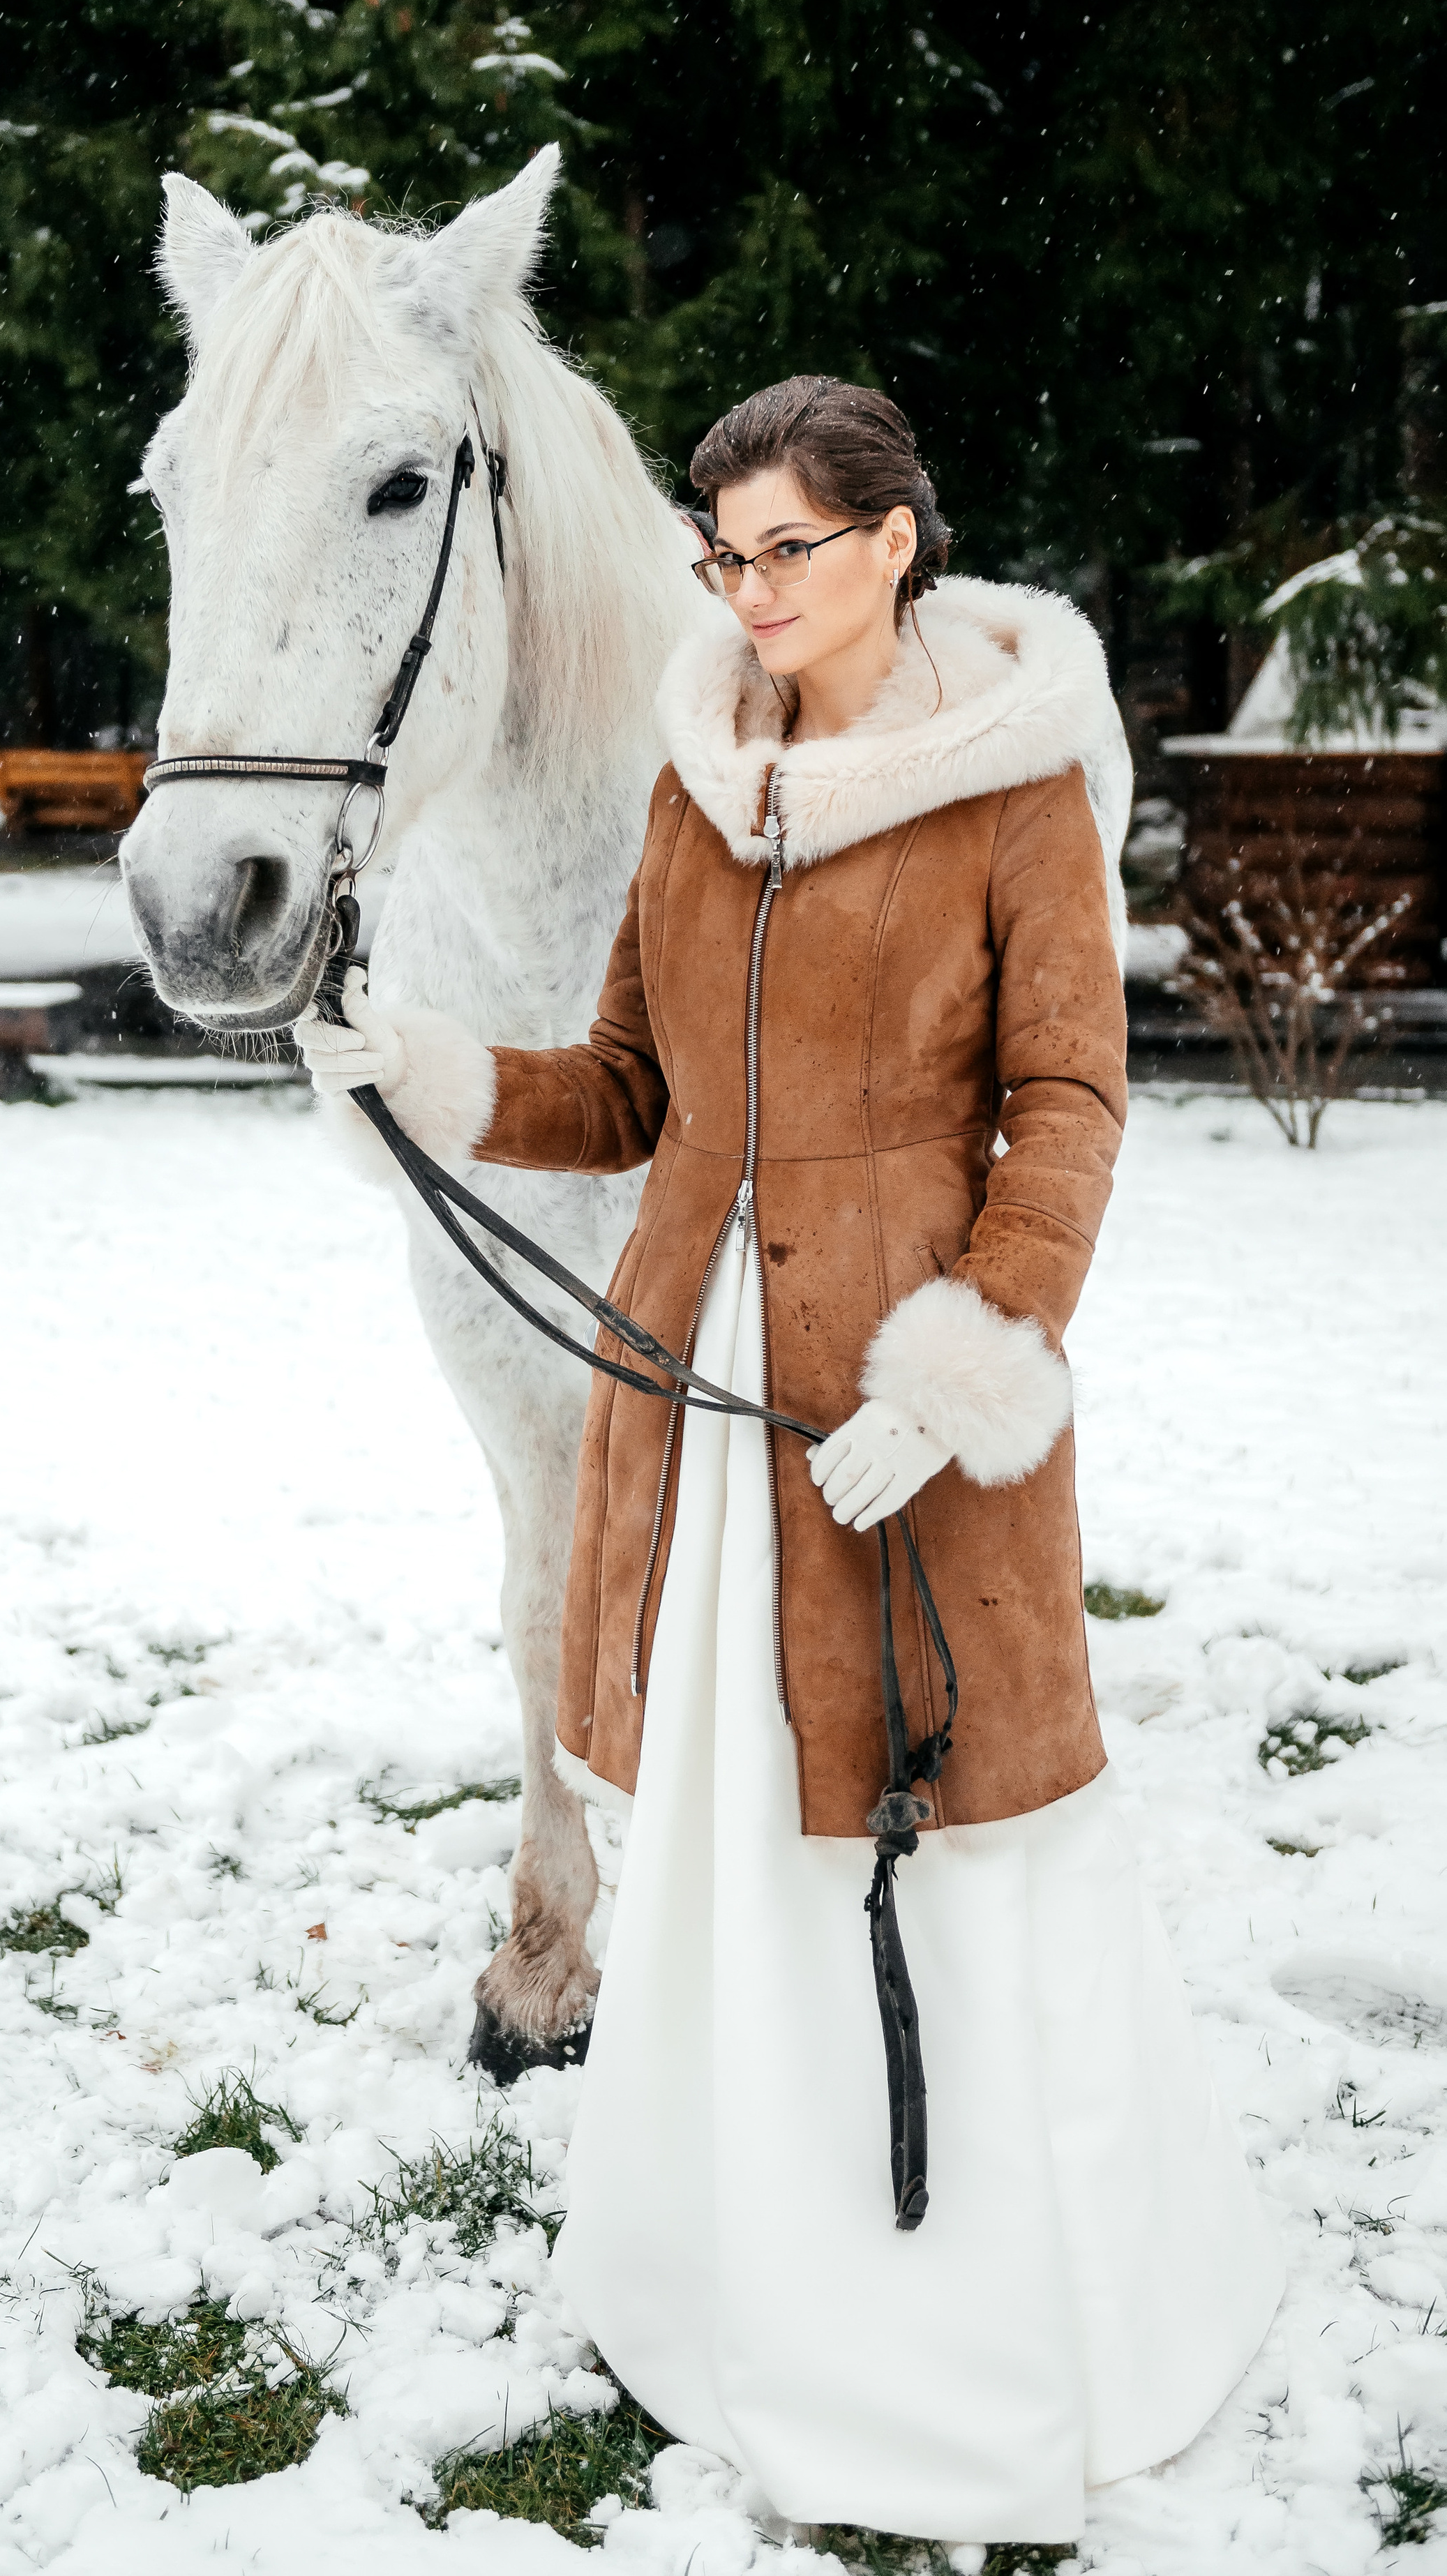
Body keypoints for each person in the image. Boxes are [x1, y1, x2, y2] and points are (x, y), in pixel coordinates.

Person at [297, 376, 1283, 2548]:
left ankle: (983, 2324)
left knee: (947, 1821)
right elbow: (628, 1092)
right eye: (722, 554)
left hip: (905, 1401)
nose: (748, 597)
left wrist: (971, 1355)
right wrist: (431, 1069)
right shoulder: (698, 777)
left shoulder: (1010, 788)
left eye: (790, 554)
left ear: (898, 544)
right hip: (704, 1388)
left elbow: (1074, 1104)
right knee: (738, 1818)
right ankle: (728, 2268)